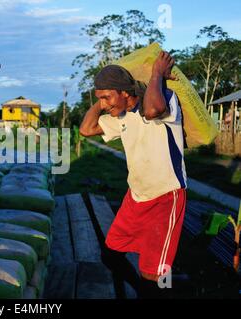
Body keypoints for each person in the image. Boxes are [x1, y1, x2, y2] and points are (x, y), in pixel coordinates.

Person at [80, 52, 187, 298]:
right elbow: (87, 129)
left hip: (165, 199)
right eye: (101, 99)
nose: (104, 105)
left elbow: (151, 110)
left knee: (154, 275)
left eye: (107, 97)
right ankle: (142, 290)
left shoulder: (166, 100)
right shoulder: (122, 118)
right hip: (136, 198)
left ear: (125, 92)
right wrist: (103, 95)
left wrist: (157, 73)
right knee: (110, 255)